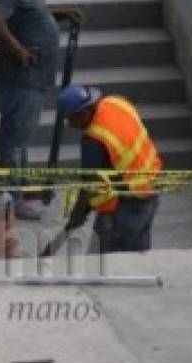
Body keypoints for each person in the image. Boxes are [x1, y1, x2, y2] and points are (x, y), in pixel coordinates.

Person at [0, 0, 80, 221]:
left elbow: (26, 17)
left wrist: (57, 16)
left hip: (34, 80)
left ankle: (18, 192)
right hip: (21, 80)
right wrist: (19, 51)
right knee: (14, 139)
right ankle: (11, 199)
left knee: (20, 139)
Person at [57, 85, 162, 253]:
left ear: (84, 113)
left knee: (110, 258)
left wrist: (77, 214)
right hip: (150, 188)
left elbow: (89, 185)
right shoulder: (116, 102)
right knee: (138, 252)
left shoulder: (93, 139)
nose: (70, 125)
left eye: (71, 119)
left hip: (125, 204)